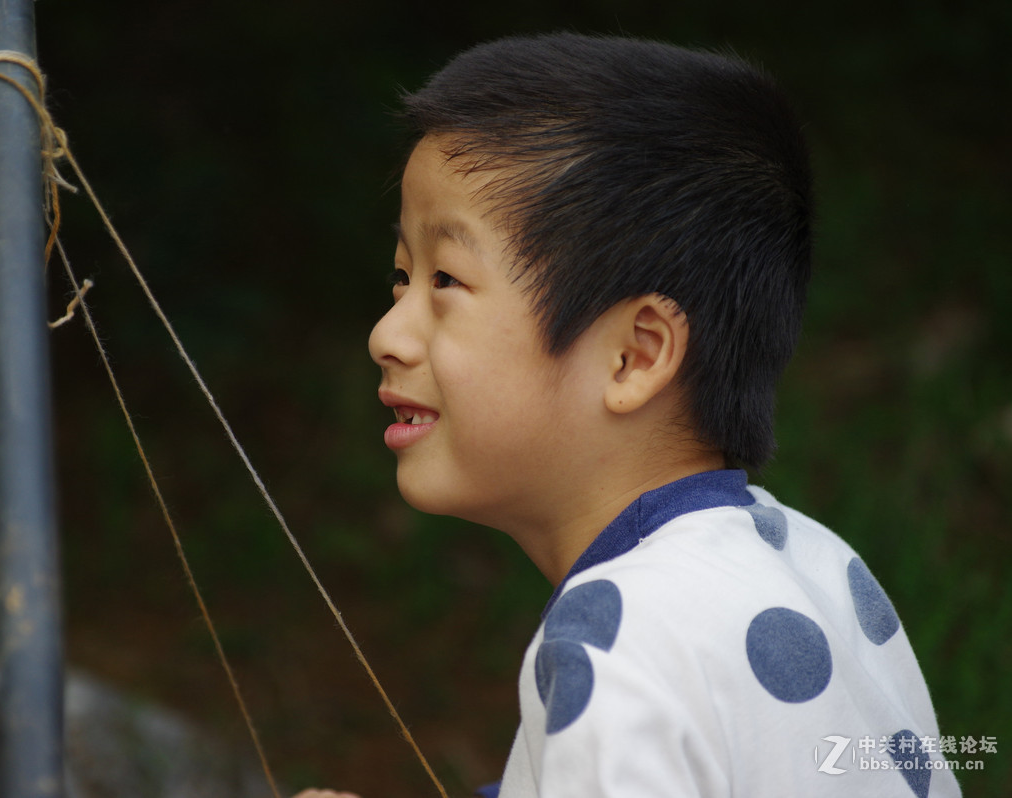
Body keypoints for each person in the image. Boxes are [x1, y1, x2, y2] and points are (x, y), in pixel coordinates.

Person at [297, 33, 957, 798]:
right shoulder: (816, 567)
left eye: (445, 278)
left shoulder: (617, 644)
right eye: (400, 276)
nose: (386, 334)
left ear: (635, 356)